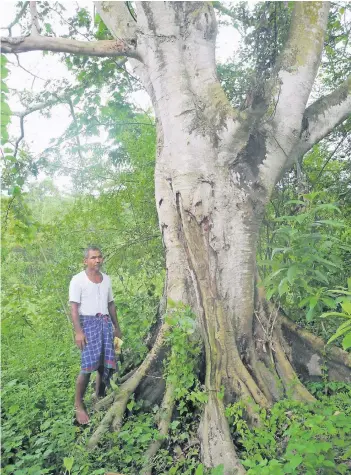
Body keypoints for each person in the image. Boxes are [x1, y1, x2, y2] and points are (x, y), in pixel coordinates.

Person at [69, 246, 122, 424]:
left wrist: (117, 327)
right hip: (88, 324)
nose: (97, 260)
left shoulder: (106, 279)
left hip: (105, 323)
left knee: (103, 362)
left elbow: (111, 304)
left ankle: (99, 395)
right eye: (93, 258)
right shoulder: (78, 280)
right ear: (86, 261)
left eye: (99, 257)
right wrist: (78, 332)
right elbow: (74, 309)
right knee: (87, 365)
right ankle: (78, 404)